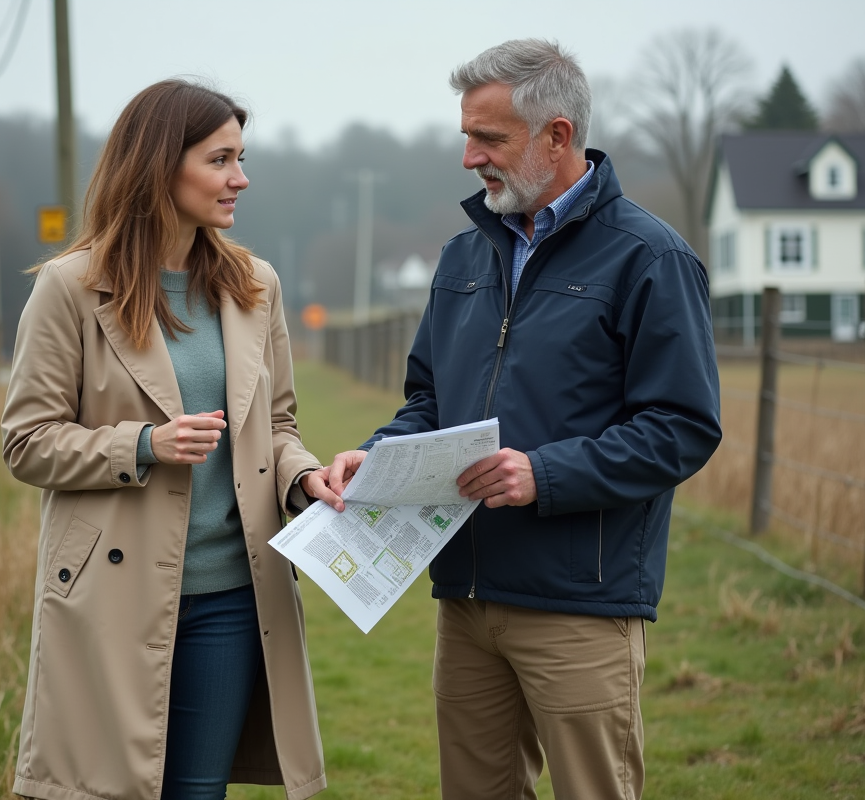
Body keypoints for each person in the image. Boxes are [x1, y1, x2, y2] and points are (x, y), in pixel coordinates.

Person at [306, 39, 722, 800]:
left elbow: (682, 425)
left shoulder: (649, 260)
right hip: (464, 596)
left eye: (488, 138)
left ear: (557, 136)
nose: (469, 157)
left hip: (578, 603)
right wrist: (378, 453)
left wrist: (545, 474)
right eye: (466, 135)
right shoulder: (464, 257)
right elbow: (429, 400)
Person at [2, 79, 329, 800]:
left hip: (234, 599)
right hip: (110, 598)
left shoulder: (255, 285)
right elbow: (26, 442)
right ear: (159, 165)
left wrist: (304, 479)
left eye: (241, 158)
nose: (240, 178)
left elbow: (277, 427)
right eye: (220, 160)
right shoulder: (68, 288)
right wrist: (142, 445)